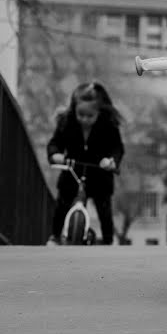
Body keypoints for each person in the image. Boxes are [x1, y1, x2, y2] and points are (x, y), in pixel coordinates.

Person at [46, 81, 124, 246]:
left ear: (98, 112)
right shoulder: (67, 122)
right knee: (62, 203)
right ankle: (55, 236)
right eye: (80, 115)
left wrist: (111, 161)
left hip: (99, 173)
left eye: (90, 116)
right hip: (73, 170)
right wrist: (55, 155)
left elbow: (117, 147)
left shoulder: (108, 125)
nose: (84, 119)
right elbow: (54, 143)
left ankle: (108, 241)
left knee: (104, 209)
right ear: (74, 110)